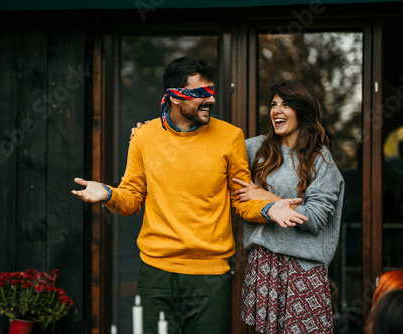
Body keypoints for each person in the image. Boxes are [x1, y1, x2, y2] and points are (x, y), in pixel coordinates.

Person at [72, 57, 308, 334]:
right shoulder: (144, 137)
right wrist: (109, 194)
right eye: (199, 93)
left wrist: (269, 209)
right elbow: (132, 199)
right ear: (174, 97)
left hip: (210, 277)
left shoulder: (230, 137)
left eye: (211, 92)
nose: (209, 100)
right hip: (156, 274)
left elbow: (243, 199)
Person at [231, 81, 345, 333]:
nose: (276, 110)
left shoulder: (320, 159)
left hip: (302, 272)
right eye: (273, 104)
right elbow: (211, 152)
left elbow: (314, 219)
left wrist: (263, 195)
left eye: (286, 104)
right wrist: (153, 130)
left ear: (302, 111)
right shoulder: (254, 149)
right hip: (263, 267)